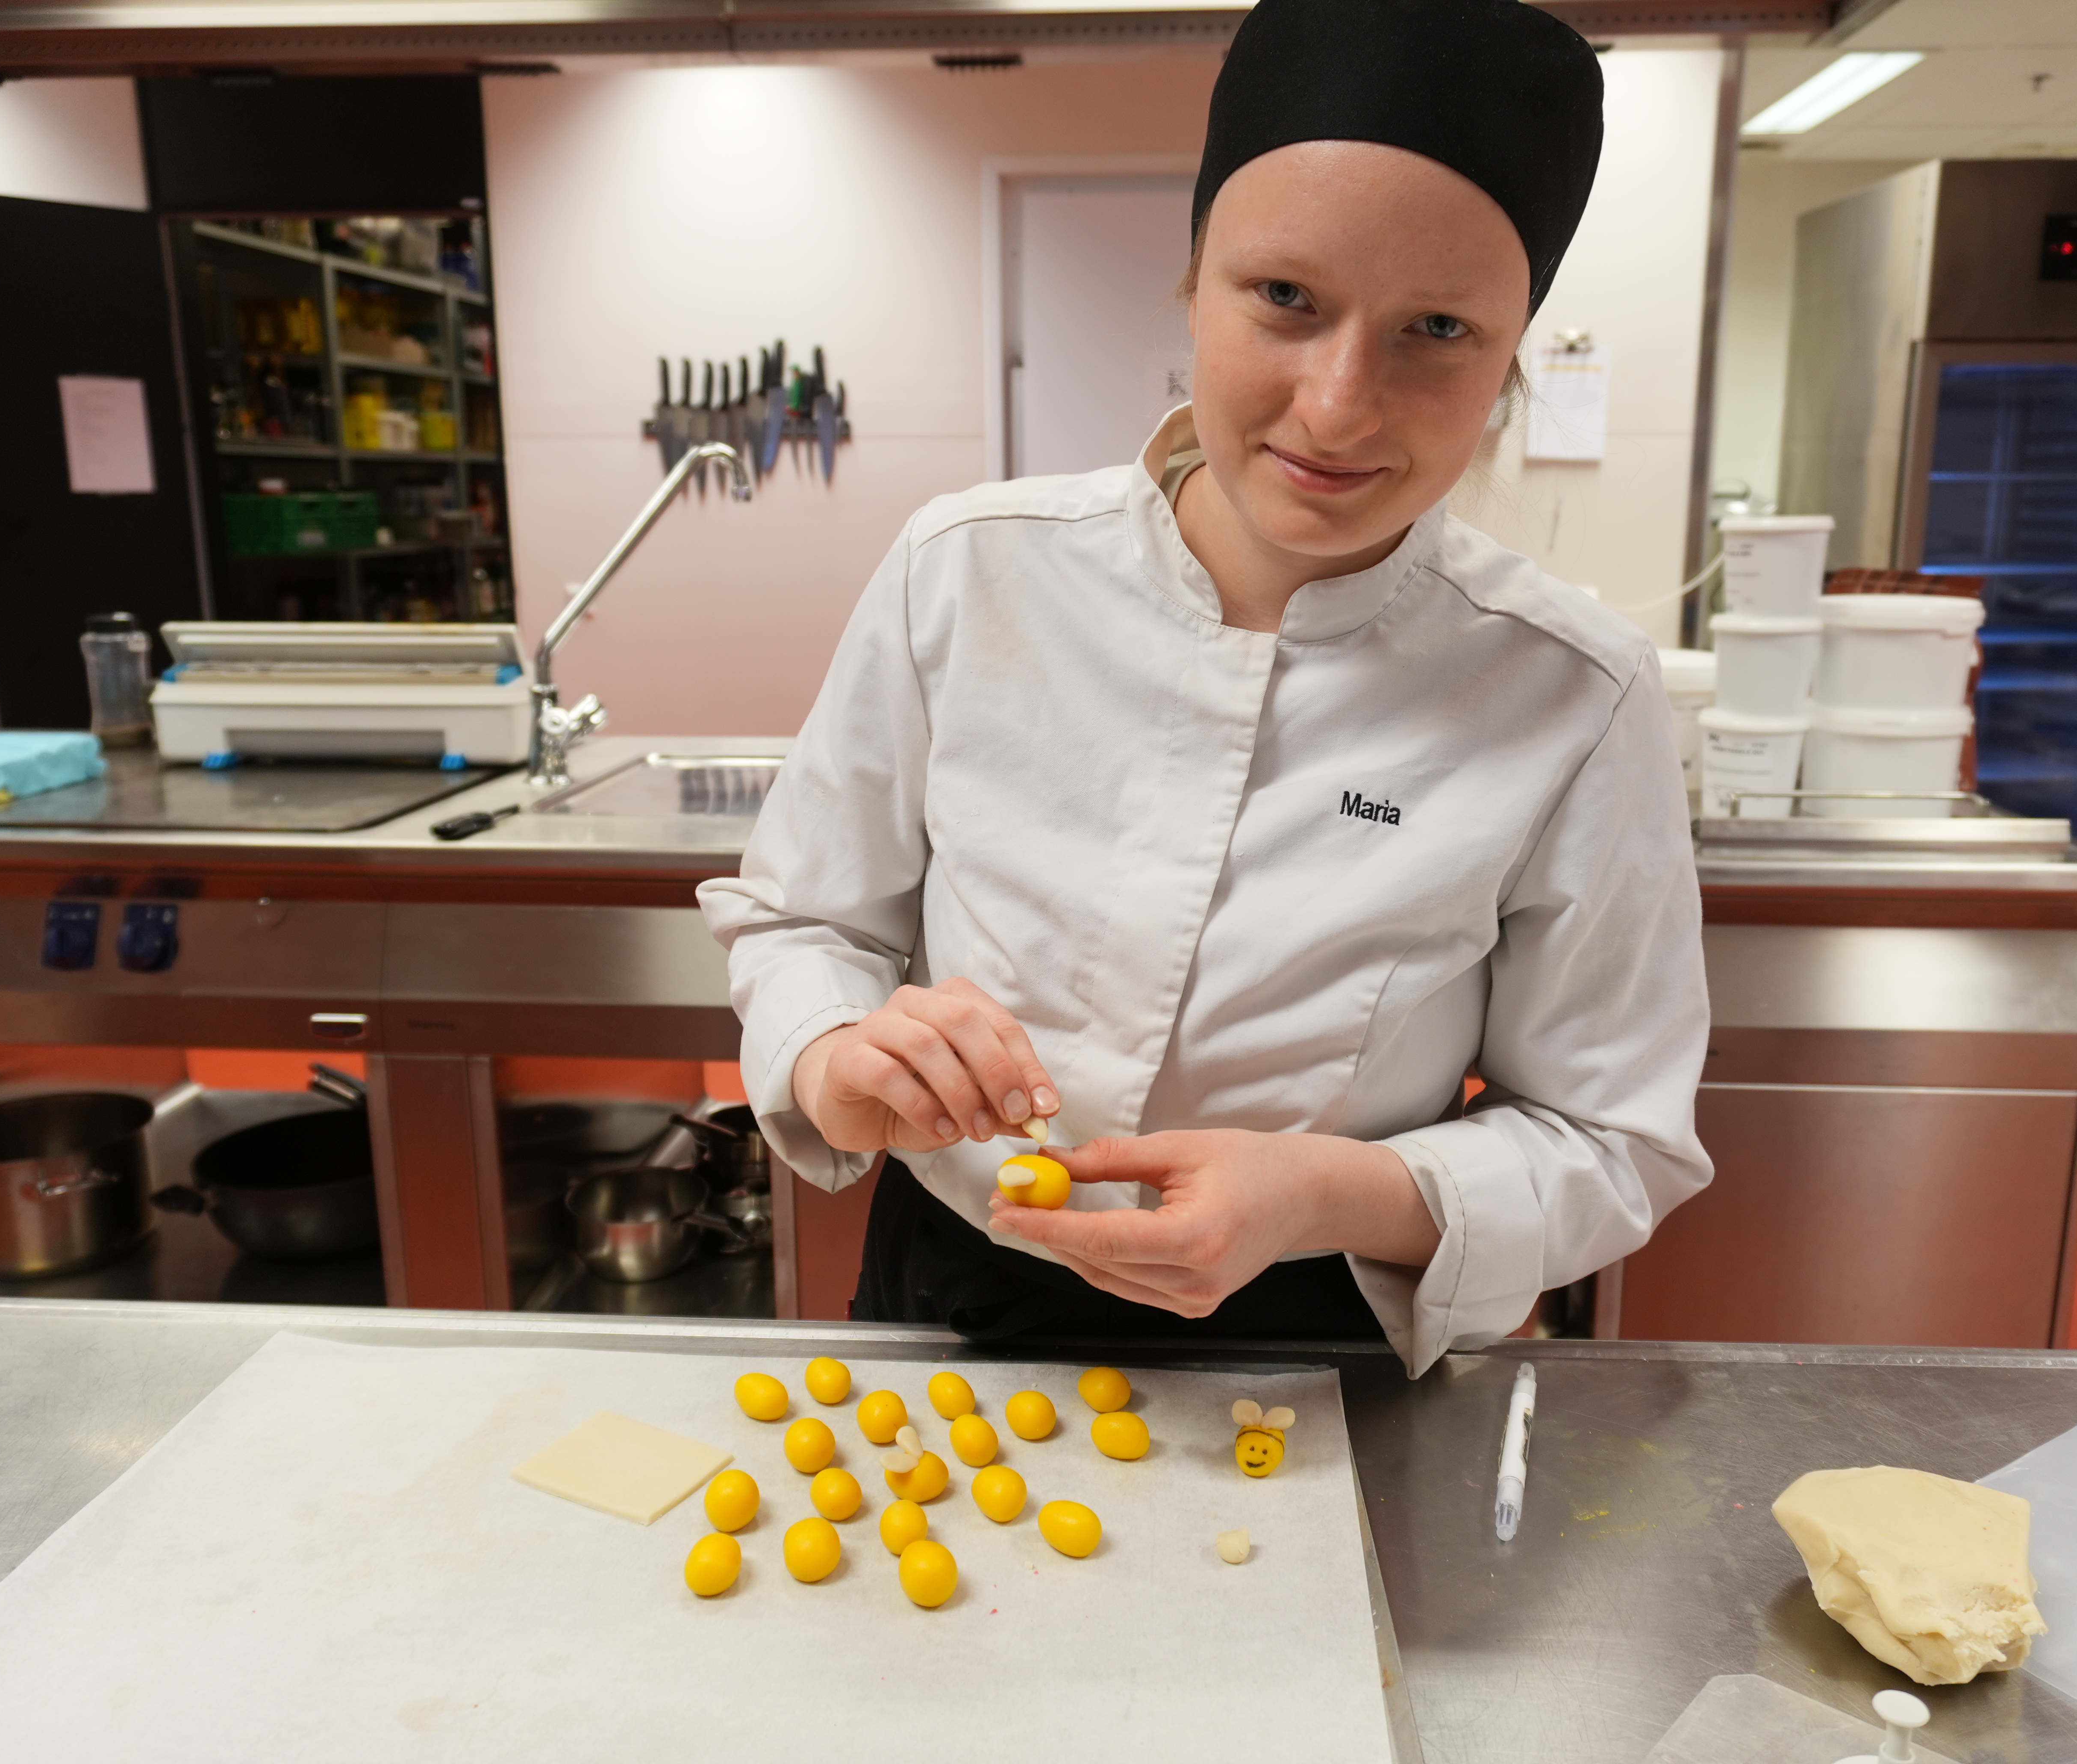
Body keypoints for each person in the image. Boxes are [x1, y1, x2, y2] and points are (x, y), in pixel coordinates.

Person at [699, 0, 1711, 1375]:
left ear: (1512, 358)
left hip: (1324, 1330)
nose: (1341, 406)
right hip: (957, 1293)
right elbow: (803, 918)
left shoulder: (1568, 692)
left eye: (1438, 330)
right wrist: (836, 1057)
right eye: (1286, 299)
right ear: (1192, 285)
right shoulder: (970, 571)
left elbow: (1611, 1141)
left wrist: (1326, 1194)